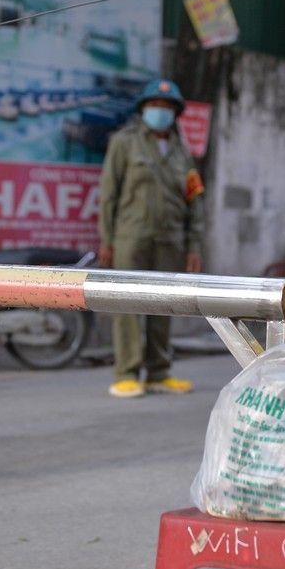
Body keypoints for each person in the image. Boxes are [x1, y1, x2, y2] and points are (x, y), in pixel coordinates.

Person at [97, 78, 206, 398]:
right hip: (131, 237)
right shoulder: (125, 142)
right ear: (143, 109)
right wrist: (107, 240)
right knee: (128, 305)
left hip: (170, 239)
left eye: (167, 107)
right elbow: (108, 195)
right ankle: (127, 372)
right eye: (154, 106)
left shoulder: (181, 151)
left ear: (176, 113)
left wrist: (194, 245)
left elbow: (194, 200)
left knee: (164, 306)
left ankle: (159, 371)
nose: (160, 112)